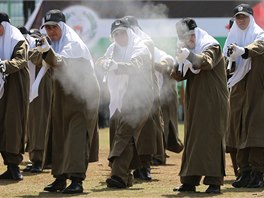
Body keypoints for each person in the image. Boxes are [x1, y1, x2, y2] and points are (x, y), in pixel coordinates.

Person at [36, 9, 100, 194]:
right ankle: (60, 178)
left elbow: (59, 62)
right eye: (47, 28)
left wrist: (46, 50)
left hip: (82, 97)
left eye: (54, 27)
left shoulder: (74, 44)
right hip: (63, 96)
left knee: (76, 137)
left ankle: (77, 180)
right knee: (59, 135)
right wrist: (41, 49)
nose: (50, 31)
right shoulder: (54, 44)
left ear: (62, 27)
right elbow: (38, 59)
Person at [168, 18, 228, 193]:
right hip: (195, 102)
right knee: (192, 139)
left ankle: (214, 182)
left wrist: (188, 55)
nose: (190, 40)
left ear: (197, 33)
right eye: (186, 37)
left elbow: (206, 62)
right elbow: (178, 76)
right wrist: (179, 60)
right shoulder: (188, 50)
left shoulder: (211, 45)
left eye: (192, 35)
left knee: (213, 139)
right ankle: (189, 181)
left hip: (214, 101)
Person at [96, 18, 154, 188]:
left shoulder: (140, 48)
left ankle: (119, 176)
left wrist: (116, 66)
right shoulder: (112, 49)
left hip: (139, 99)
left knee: (124, 134)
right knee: (122, 136)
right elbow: (100, 62)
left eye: (122, 33)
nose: (120, 37)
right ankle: (126, 176)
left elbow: (136, 66)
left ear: (129, 33)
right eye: (116, 34)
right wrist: (104, 63)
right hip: (120, 100)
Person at [223, 4, 264, 188]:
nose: (241, 21)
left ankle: (258, 172)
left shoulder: (259, 34)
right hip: (238, 89)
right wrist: (230, 59)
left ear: (251, 18)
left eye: (244, 17)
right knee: (238, 129)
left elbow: (259, 46)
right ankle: (244, 171)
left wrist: (244, 51)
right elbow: (226, 66)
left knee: (254, 130)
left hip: (256, 90)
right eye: (238, 17)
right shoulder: (232, 37)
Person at [18, 27, 52, 173]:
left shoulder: (40, 46)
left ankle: (40, 159)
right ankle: (36, 157)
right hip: (32, 88)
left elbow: (39, 58)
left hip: (41, 88)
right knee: (32, 124)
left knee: (39, 123)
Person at [0, 13, 29, 181]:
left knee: (13, 124)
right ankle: (8, 166)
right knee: (2, 125)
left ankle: (14, 167)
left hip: (15, 86)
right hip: (2, 87)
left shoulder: (18, 39)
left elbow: (21, 60)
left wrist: (4, 65)